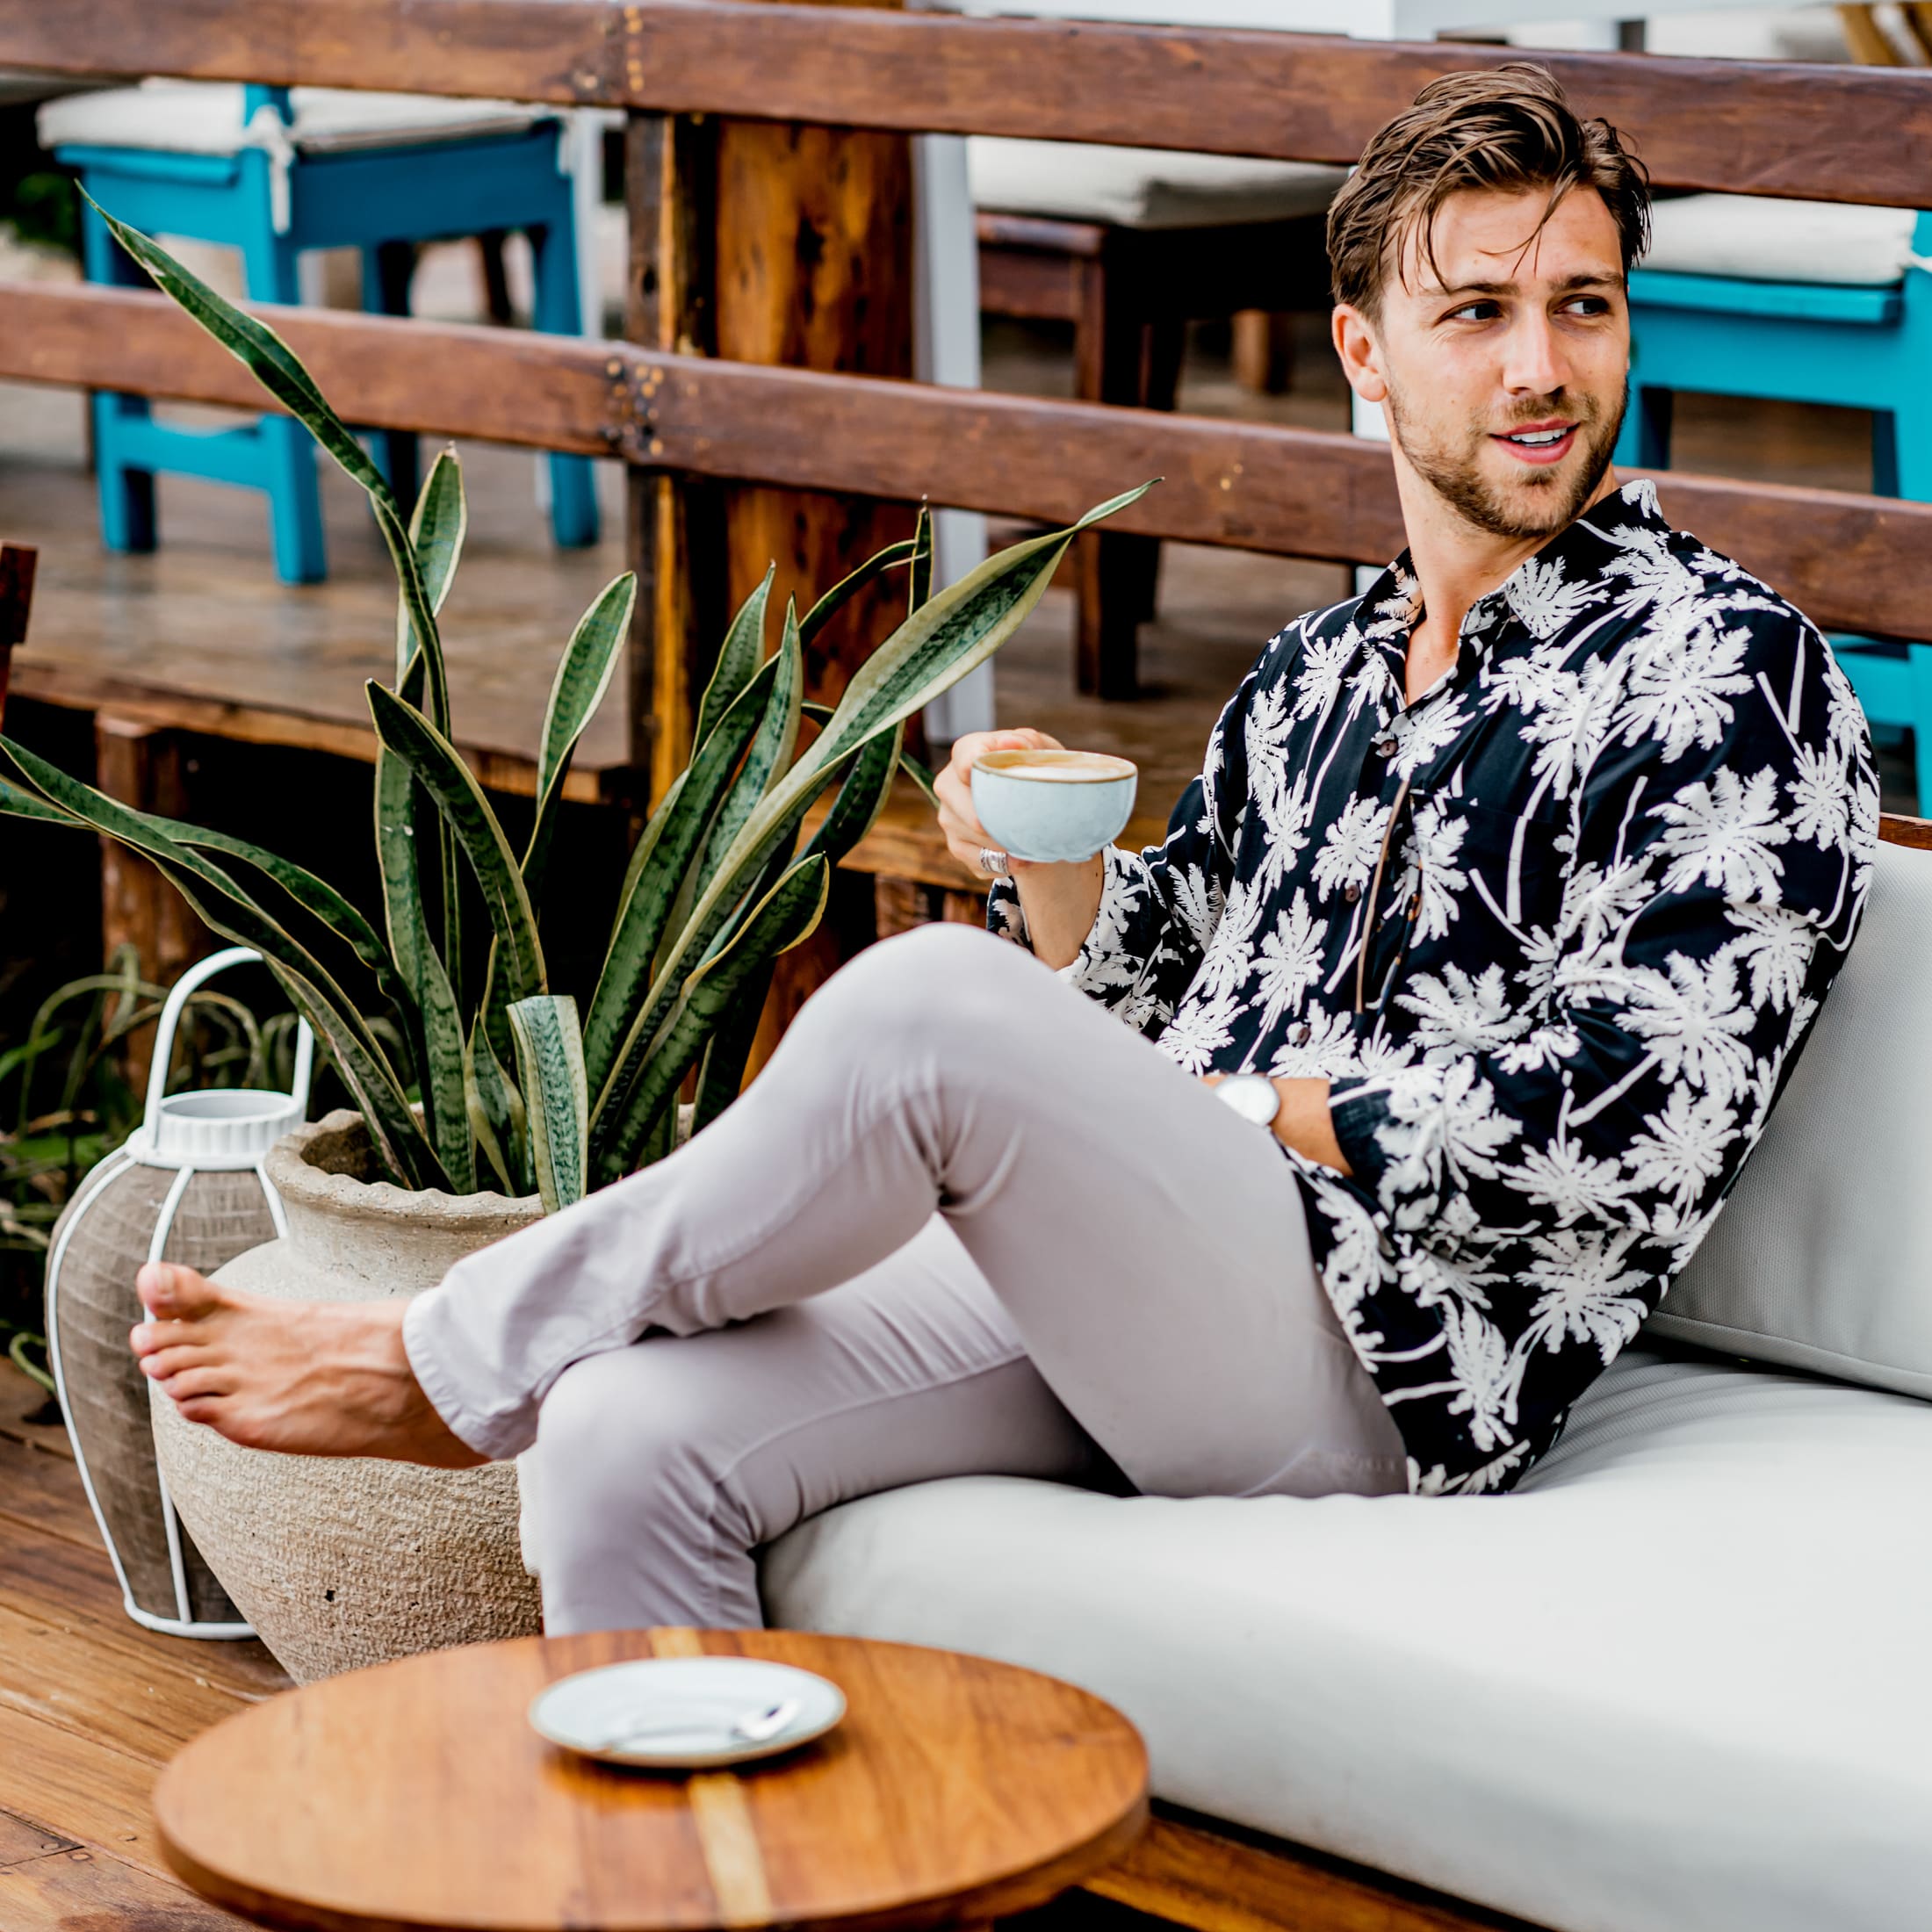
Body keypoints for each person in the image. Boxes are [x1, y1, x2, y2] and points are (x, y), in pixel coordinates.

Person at [129, 64, 1878, 1632]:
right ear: (1363, 353)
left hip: (1399, 1353)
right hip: (1157, 1280)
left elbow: (1638, 1118)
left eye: (1581, 306)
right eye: (1476, 311)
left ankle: (440, 1355)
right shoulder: (1317, 671)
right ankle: (689, 1851)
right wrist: (1049, 864)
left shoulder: (1727, 669)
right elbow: (1148, 981)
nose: (1538, 367)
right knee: (620, 1433)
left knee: (926, 1008)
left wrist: (1235, 1112)